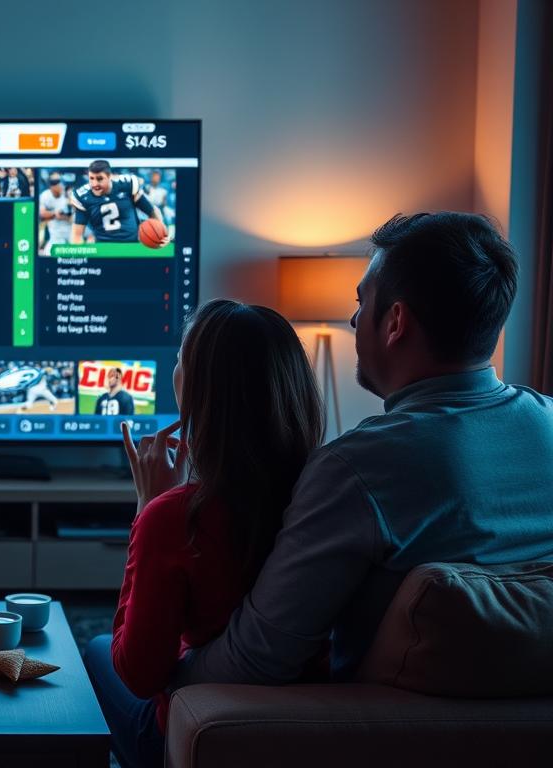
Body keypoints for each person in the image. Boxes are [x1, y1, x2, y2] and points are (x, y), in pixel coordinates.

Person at [169, 213, 553, 691]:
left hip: (371, 734)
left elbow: (256, 662)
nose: (353, 319)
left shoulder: (357, 469)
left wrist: (168, 683)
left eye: (361, 301)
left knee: (99, 665)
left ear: (395, 322)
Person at [83, 300, 324, 768]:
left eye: (179, 359)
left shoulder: (177, 517)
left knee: (95, 651)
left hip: (193, 733)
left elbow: (138, 675)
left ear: (196, 388)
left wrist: (147, 509)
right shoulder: (327, 497)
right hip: (307, 722)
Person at [69, 160, 168, 245]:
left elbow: (152, 211)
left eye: (99, 179)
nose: (95, 184)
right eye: (91, 178)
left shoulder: (126, 185)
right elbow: (76, 236)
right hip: (103, 249)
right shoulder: (83, 196)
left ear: (109, 176)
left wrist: (160, 233)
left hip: (132, 246)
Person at [39, 173, 73, 254]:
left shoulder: (68, 193)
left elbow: (71, 217)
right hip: (56, 236)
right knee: (48, 253)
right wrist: (54, 214)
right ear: (52, 186)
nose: (60, 185)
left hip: (71, 233)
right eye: (57, 183)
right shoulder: (45, 195)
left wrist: (61, 215)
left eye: (60, 182)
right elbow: (42, 214)